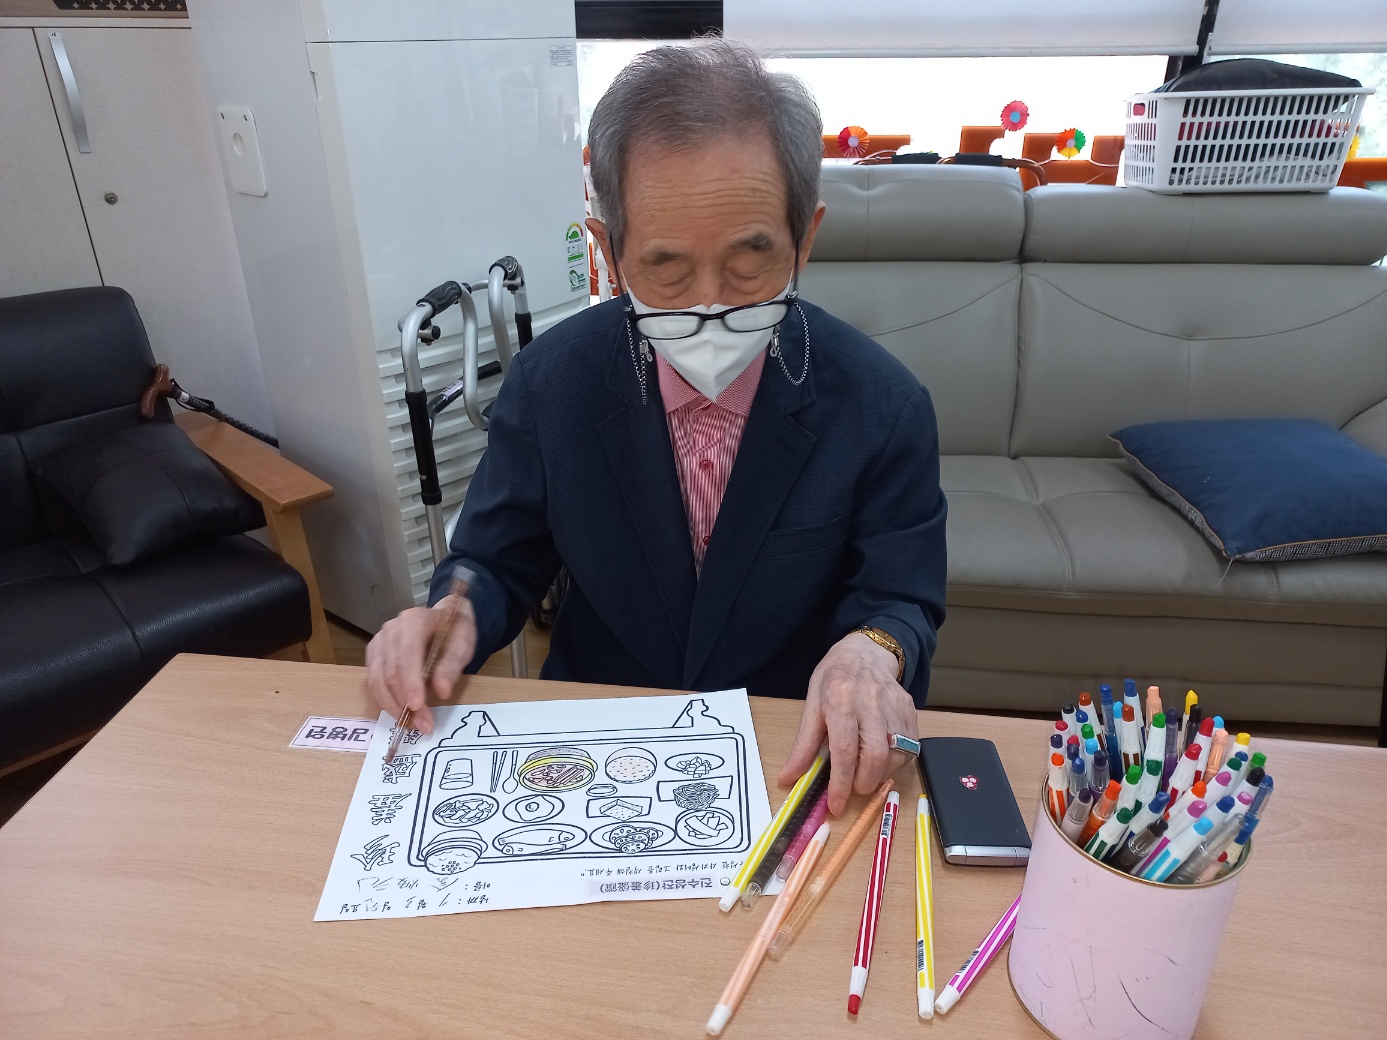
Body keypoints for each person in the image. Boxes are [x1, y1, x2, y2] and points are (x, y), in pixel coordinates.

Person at [367, 41, 946, 815]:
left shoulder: (881, 404)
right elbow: (495, 560)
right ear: (608, 250)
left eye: (749, 264)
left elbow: (898, 597)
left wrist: (872, 654)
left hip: (784, 747)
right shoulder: (550, 384)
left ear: (804, 238)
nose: (709, 304)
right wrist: (452, 613)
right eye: (666, 268)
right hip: (592, 740)